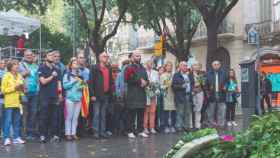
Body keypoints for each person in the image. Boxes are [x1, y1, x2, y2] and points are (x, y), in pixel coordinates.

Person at [38, 51, 63, 143]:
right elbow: (43, 82)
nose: (52, 57)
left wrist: (60, 94)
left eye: (53, 55)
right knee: (44, 116)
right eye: (50, 55)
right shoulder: (41, 67)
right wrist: (52, 76)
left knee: (54, 116)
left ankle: (54, 135)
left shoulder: (57, 69)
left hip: (55, 96)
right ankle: (42, 135)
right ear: (45, 57)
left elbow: (59, 82)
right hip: (44, 96)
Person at [124, 51, 149, 138]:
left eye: (139, 56)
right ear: (132, 57)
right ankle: (130, 130)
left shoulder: (143, 68)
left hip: (141, 94)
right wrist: (139, 81)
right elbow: (127, 79)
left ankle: (140, 130)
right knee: (131, 114)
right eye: (137, 56)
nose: (138, 57)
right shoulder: (129, 67)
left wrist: (146, 82)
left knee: (141, 113)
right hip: (133, 94)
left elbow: (146, 79)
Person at [89, 52, 113, 139]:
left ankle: (102, 131)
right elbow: (91, 82)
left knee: (103, 114)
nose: (106, 58)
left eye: (107, 56)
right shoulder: (94, 68)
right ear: (99, 58)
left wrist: (111, 92)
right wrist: (92, 94)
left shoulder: (108, 68)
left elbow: (111, 82)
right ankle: (96, 132)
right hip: (97, 95)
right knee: (96, 114)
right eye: (104, 56)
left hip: (106, 95)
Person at [1, 60, 26, 146]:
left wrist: (23, 90)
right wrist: (14, 88)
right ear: (10, 66)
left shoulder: (19, 75)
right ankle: (6, 138)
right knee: (7, 121)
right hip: (9, 102)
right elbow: (3, 90)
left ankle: (16, 137)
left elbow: (21, 88)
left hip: (18, 102)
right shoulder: (6, 76)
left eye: (18, 65)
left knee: (17, 121)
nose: (17, 66)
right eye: (15, 65)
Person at [18, 49, 39, 140]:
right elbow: (17, 76)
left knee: (33, 113)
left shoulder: (35, 65)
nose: (29, 56)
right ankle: (22, 133)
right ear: (24, 55)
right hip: (24, 92)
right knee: (24, 114)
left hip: (35, 92)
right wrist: (26, 73)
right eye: (27, 55)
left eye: (30, 55)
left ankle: (30, 133)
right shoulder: (20, 64)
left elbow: (38, 77)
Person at [63, 57, 84, 141]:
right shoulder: (67, 75)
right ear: (71, 65)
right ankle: (68, 133)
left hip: (78, 98)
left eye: (77, 63)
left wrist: (81, 86)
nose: (76, 65)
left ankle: (73, 133)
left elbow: (82, 86)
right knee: (69, 117)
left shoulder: (80, 75)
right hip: (70, 98)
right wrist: (74, 81)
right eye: (74, 63)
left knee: (75, 117)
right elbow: (65, 86)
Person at [205, 60, 228, 128]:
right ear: (212, 66)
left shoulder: (224, 73)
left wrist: (225, 86)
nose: (216, 65)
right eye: (214, 64)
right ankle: (211, 124)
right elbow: (205, 84)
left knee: (222, 110)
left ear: (220, 65)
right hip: (212, 94)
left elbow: (227, 82)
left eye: (217, 64)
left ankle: (221, 124)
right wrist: (208, 91)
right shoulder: (208, 74)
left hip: (222, 93)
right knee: (211, 111)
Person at [172, 61, 193, 131]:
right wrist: (182, 86)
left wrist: (192, 90)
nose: (185, 67)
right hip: (180, 96)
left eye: (186, 66)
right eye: (184, 66)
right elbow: (174, 86)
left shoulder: (189, 75)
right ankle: (179, 127)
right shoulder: (176, 75)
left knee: (187, 112)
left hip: (188, 95)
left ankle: (186, 126)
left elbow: (192, 84)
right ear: (180, 67)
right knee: (180, 112)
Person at [143, 60, 160, 134]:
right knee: (146, 112)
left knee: (153, 111)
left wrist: (156, 87)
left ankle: (152, 127)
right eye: (149, 64)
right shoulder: (143, 72)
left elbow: (158, 82)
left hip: (153, 94)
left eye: (152, 64)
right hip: (146, 93)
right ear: (146, 65)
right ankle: (145, 128)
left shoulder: (156, 73)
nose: (150, 65)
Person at [160, 61, 176, 133]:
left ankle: (172, 126)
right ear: (165, 67)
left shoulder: (174, 75)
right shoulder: (163, 75)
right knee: (166, 111)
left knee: (173, 111)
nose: (169, 67)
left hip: (174, 94)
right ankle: (166, 126)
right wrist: (166, 86)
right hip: (166, 94)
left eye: (171, 66)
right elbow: (161, 85)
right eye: (168, 66)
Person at [191, 63, 206, 130]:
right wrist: (193, 89)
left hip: (200, 92)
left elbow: (204, 84)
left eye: (198, 66)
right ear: (192, 67)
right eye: (195, 66)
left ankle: (198, 124)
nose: (197, 67)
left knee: (199, 109)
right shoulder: (189, 75)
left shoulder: (201, 74)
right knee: (193, 109)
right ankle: (191, 124)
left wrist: (203, 81)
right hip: (192, 93)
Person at [0, 60, 6, 133]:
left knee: (4, 115)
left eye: (4, 63)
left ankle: (3, 131)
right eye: (1, 63)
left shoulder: (7, 73)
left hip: (6, 97)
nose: (3, 64)